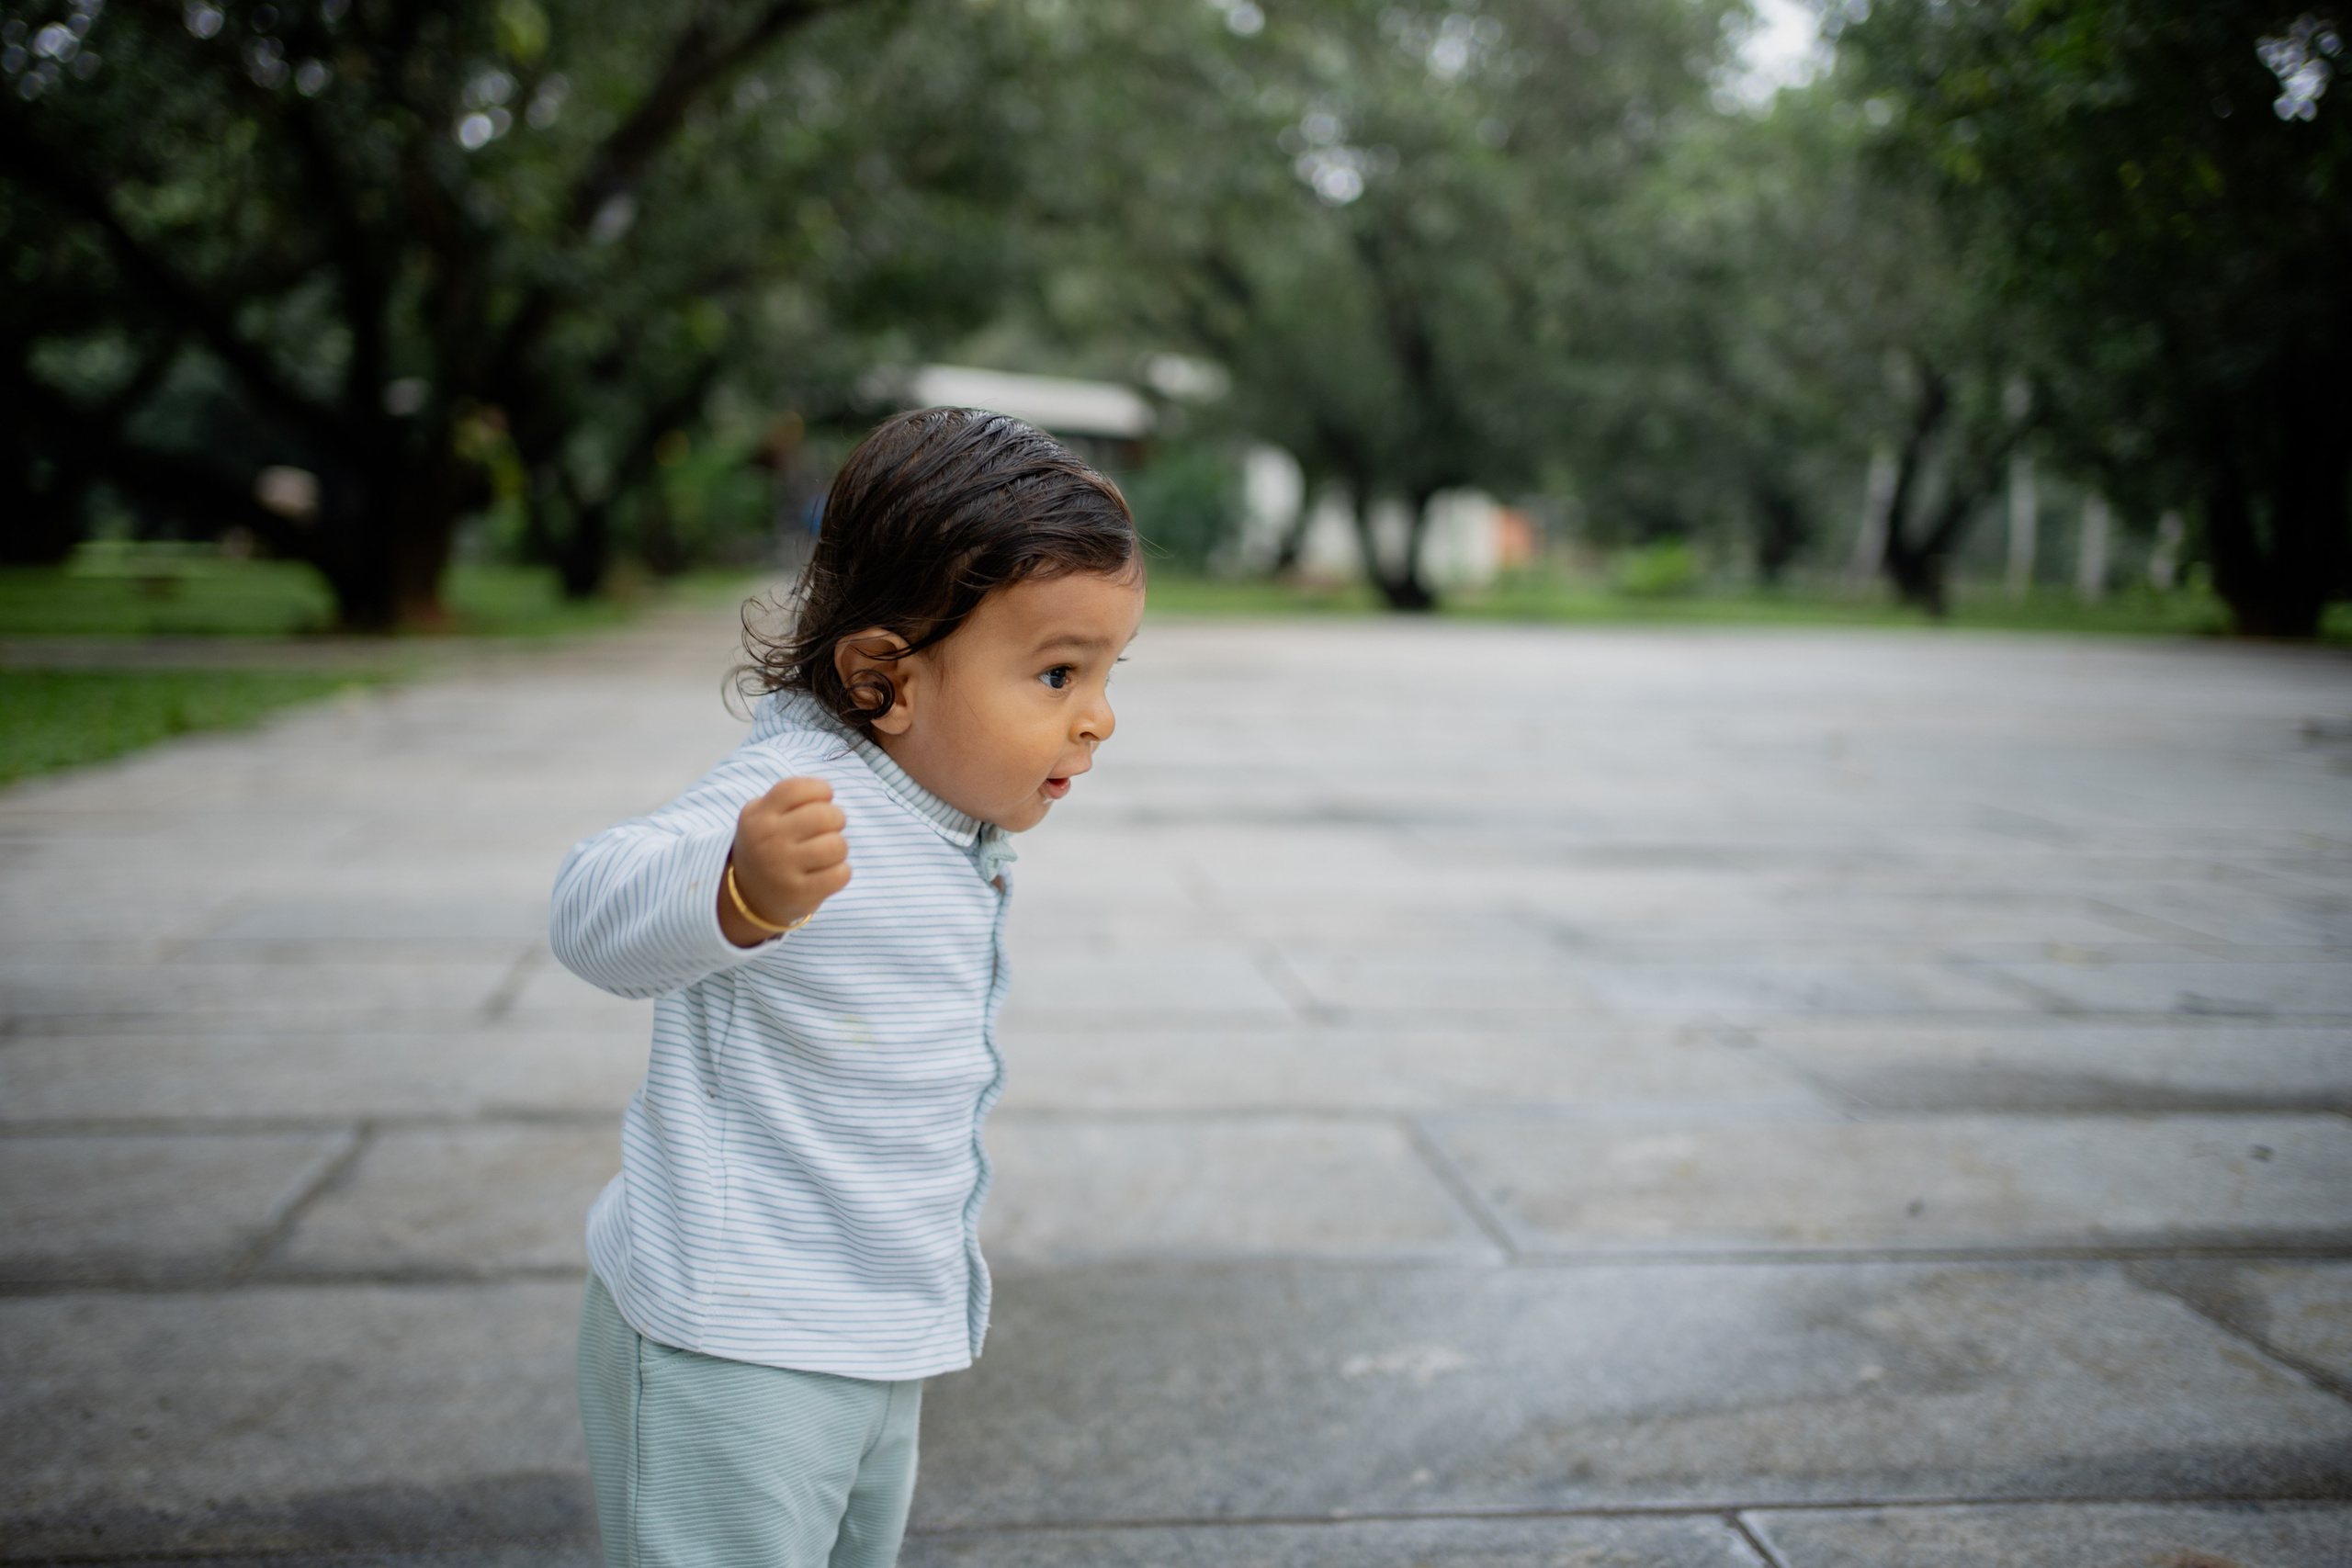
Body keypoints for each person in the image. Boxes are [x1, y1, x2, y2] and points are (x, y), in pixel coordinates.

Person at [551, 408, 1144, 1568]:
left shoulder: (938, 812)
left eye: (1111, 672)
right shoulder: (796, 793)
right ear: (883, 677)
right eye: (1059, 672)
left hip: (872, 1335)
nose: (1099, 717)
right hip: (728, 1339)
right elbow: (589, 906)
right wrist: (733, 891)